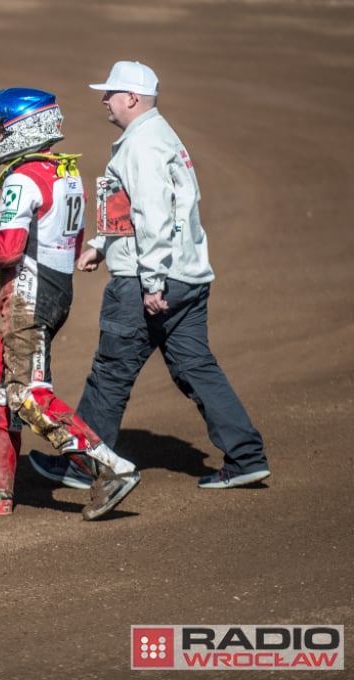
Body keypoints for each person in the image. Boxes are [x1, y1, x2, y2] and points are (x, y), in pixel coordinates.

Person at [29, 61, 271, 490]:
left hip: (148, 279)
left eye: (110, 93)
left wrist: (153, 283)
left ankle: (85, 466)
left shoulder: (141, 146)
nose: (104, 100)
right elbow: (149, 209)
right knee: (197, 367)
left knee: (110, 372)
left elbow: (154, 216)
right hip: (188, 278)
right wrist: (103, 245)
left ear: (132, 98)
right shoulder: (161, 137)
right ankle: (246, 456)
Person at [0, 87, 140, 520]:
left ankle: (112, 470)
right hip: (56, 292)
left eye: (0, 129)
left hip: (29, 300)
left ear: (22, 129)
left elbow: (9, 249)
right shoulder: (65, 173)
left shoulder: (21, 179)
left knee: (27, 395)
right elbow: (69, 246)